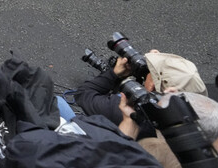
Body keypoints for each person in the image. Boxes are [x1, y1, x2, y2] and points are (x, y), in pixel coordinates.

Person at [73, 50, 207, 132]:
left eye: (149, 73)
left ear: (152, 87)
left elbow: (84, 94)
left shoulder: (127, 109)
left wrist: (113, 74)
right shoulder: (202, 124)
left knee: (59, 104)